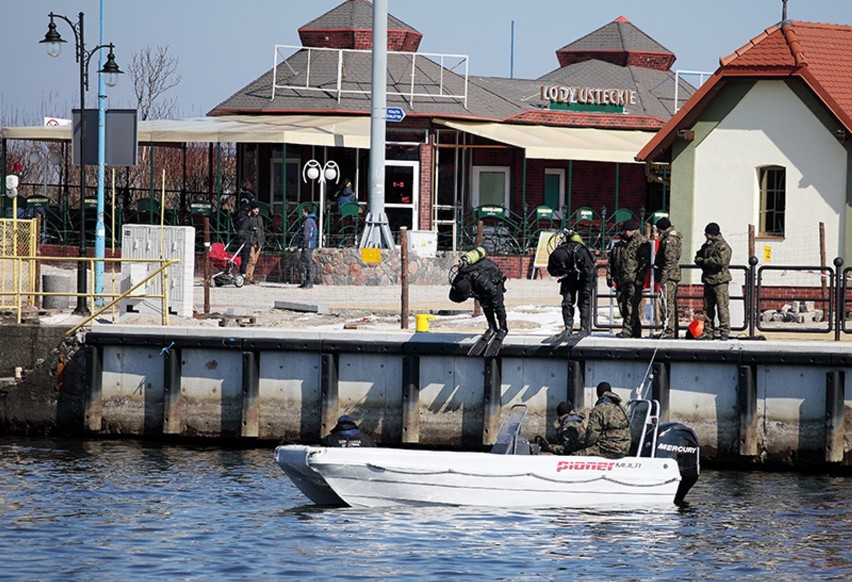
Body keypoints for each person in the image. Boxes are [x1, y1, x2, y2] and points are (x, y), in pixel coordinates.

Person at [449, 247, 508, 342]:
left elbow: (492, 291)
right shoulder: (462, 277)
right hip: (483, 284)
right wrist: (479, 295)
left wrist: (484, 295)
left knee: (497, 305)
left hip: (494, 281)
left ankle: (503, 328)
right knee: (485, 306)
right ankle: (492, 327)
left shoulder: (479, 279)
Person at [606, 219, 651, 338]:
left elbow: (644, 263)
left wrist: (640, 278)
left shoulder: (641, 242)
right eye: (625, 230)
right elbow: (611, 261)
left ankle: (627, 330)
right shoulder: (619, 245)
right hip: (621, 280)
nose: (626, 233)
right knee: (623, 306)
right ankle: (635, 330)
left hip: (633, 280)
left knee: (631, 306)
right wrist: (609, 276)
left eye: (629, 230)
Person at [547, 229, 596, 337]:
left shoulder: (581, 252)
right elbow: (551, 270)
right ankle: (568, 328)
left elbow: (590, 271)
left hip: (585, 276)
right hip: (569, 277)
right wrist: (560, 272)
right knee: (567, 302)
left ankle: (584, 328)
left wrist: (587, 289)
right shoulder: (556, 254)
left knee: (583, 302)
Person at [694, 221, 732, 340]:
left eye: (707, 234)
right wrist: (700, 260)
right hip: (708, 280)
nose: (705, 236)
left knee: (722, 307)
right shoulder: (707, 245)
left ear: (712, 234)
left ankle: (724, 331)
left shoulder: (722, 246)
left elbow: (720, 261)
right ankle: (708, 331)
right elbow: (698, 256)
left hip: (719, 280)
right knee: (707, 308)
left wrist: (705, 261)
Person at [574, 382, 631, 459]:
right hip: (625, 447)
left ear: (598, 394)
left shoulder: (599, 409)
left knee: (575, 455)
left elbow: (592, 435)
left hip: (609, 449)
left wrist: (585, 446)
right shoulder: (621, 408)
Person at [653, 217, 682, 339]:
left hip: (669, 277)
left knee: (667, 304)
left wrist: (663, 277)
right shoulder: (670, 239)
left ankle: (670, 331)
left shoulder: (670, 240)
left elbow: (669, 261)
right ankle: (670, 329)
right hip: (670, 276)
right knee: (667, 303)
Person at [243, 201, 266, 284]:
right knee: (251, 259)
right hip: (251, 241)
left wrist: (262, 239)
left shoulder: (260, 218)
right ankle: (247, 276)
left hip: (259, 241)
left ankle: (250, 276)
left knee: (254, 261)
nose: (256, 210)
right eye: (255, 209)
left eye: (257, 209)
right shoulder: (249, 218)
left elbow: (262, 229)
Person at [298, 205, 318, 289]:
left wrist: (304, 245)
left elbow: (307, 234)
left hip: (308, 245)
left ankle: (310, 282)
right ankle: (306, 281)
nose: (302, 213)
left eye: (303, 211)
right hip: (310, 244)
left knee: (308, 263)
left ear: (306, 212)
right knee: (305, 262)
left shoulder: (308, 221)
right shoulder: (311, 220)